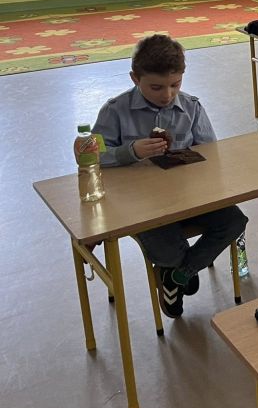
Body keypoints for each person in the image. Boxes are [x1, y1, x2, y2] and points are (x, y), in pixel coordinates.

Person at [92, 35, 247, 319]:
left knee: (234, 220)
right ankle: (179, 267)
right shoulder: (115, 111)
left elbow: (211, 153)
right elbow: (95, 156)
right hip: (143, 207)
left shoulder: (191, 107)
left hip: (190, 197)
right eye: (156, 87)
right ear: (135, 78)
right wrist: (131, 151)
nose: (167, 95)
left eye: (175, 84)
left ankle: (178, 275)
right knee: (168, 250)